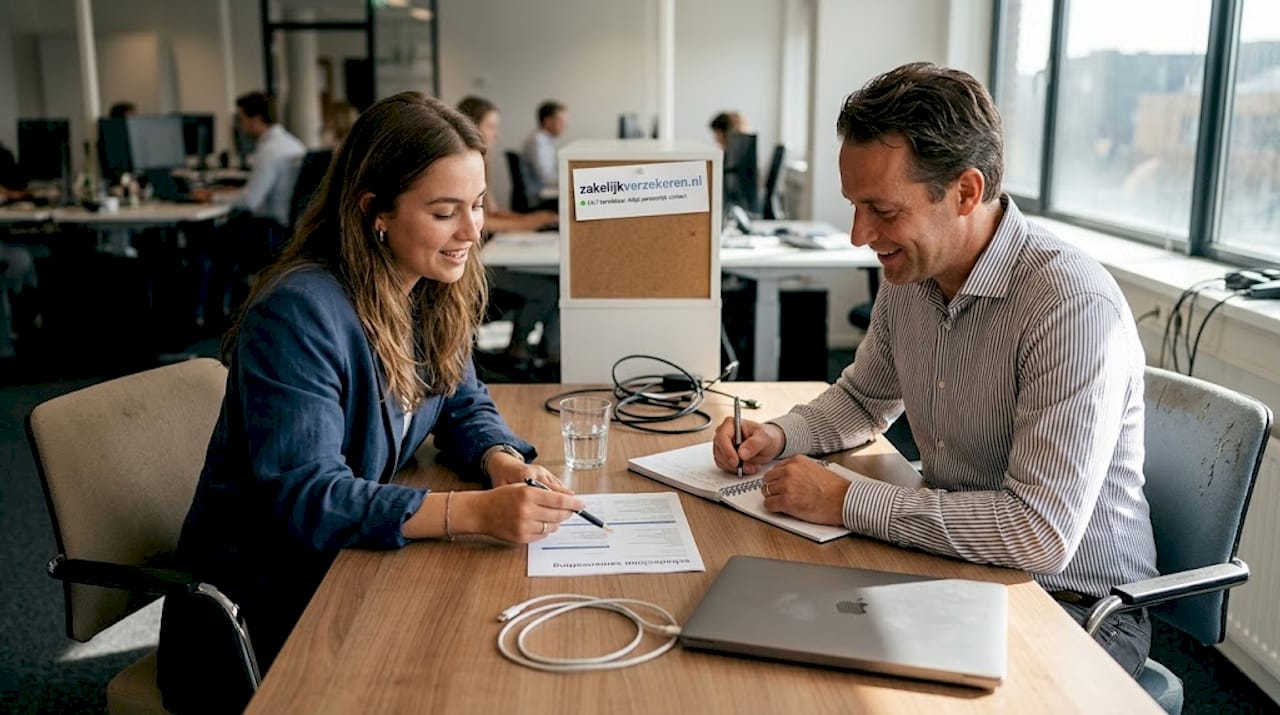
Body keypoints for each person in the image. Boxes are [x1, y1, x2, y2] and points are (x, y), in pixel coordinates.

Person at [712, 62, 1158, 678]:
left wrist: (848, 500)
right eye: (854, 206)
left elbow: (1039, 533)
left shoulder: (1071, 306)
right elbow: (866, 398)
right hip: (960, 566)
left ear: (966, 192)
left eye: (882, 210)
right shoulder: (915, 272)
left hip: (1075, 606)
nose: (858, 235)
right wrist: (781, 435)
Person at [157, 91, 586, 713]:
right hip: (265, 611)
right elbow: (309, 495)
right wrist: (475, 515)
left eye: (477, 205)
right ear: (375, 213)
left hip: (347, 570)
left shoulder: (425, 287)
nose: (473, 231)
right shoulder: (301, 310)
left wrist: (499, 458)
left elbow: (462, 401)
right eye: (445, 212)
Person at [457, 95, 560, 367]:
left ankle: (528, 350)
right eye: (491, 126)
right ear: (472, 125)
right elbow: (485, 222)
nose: (497, 134)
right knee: (548, 291)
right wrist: (531, 223)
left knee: (553, 285)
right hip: (472, 268)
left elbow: (492, 212)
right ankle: (523, 353)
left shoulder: (481, 161)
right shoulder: (463, 166)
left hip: (484, 256)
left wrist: (531, 219)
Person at [520, 99, 567, 201]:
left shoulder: (544, 140)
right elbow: (546, 177)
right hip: (538, 194)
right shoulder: (538, 141)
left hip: (541, 189)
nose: (564, 125)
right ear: (548, 121)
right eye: (560, 121)